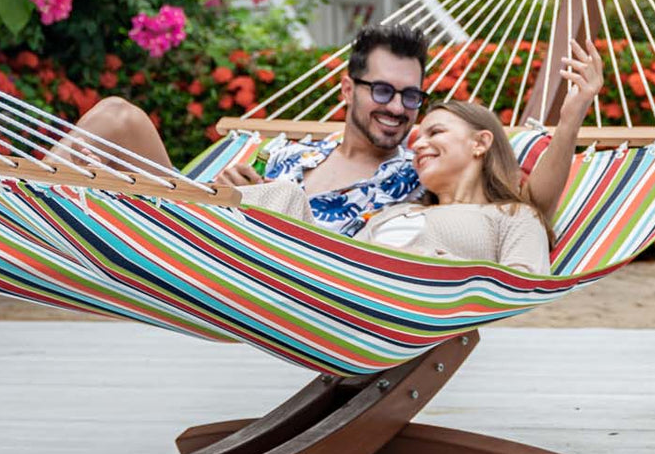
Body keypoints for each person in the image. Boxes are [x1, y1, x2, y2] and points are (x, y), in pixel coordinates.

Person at [242, 42, 605, 276]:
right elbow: (344, 257)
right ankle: (193, 211)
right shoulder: (399, 207)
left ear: (480, 143)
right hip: (333, 283)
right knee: (284, 195)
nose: (417, 145)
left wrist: (570, 118)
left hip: (406, 300)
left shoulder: (511, 217)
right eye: (419, 137)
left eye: (436, 133)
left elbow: (520, 284)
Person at [56, 22, 432, 233]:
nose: (398, 108)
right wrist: (228, 192)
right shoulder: (291, 154)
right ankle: (21, 209)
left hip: (273, 278)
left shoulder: (415, 176)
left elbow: (487, 167)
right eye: (383, 91)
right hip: (203, 237)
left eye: (411, 96)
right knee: (117, 117)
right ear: (348, 89)